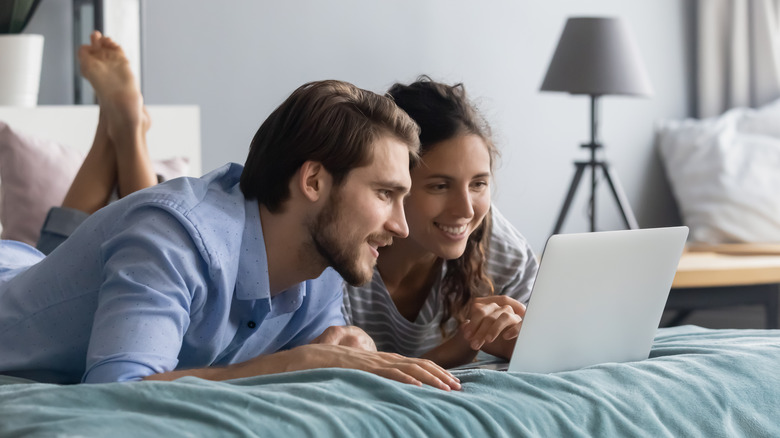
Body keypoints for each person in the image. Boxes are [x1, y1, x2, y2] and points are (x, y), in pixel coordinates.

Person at [0, 32, 461, 391]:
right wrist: (292, 363)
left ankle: (116, 127)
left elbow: (323, 350)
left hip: (43, 279)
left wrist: (345, 344)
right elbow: (117, 392)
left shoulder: (324, 260)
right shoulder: (171, 238)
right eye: (385, 194)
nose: (401, 226)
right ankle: (123, 126)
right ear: (314, 181)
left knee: (55, 261)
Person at [342, 77, 539, 369]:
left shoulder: (501, 249)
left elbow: (549, 351)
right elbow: (336, 379)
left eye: (479, 184)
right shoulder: (340, 256)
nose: (466, 210)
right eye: (439, 186)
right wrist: (464, 346)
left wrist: (519, 343)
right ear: (393, 185)